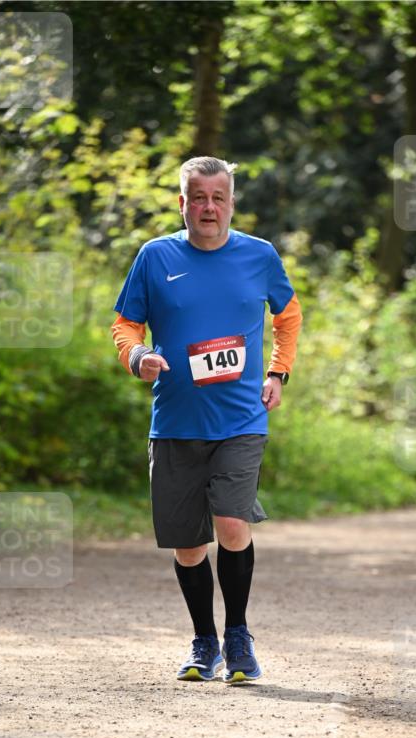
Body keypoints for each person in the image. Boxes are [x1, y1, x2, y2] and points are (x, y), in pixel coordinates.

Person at [111, 156, 302, 683]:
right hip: (175, 419)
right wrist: (137, 356)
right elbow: (126, 323)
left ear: (232, 204)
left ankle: (238, 636)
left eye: (219, 198)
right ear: (183, 203)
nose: (209, 208)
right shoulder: (155, 256)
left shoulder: (259, 256)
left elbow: (287, 314)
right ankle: (205, 641)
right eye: (199, 198)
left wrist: (279, 372)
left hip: (241, 419)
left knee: (232, 525)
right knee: (189, 545)